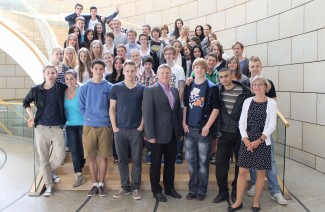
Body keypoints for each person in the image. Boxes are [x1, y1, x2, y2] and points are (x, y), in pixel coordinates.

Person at [228, 75, 277, 212]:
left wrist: (259, 140)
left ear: (265, 87)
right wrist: (245, 140)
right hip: (247, 139)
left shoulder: (271, 103)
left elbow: (272, 125)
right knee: (242, 171)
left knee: (261, 172)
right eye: (254, 85)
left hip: (262, 140)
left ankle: (256, 201)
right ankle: (238, 201)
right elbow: (241, 123)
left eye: (260, 84)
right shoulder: (247, 101)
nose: (257, 87)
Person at [246, 56, 287, 205]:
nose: (254, 68)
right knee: (252, 160)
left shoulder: (268, 84)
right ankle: (254, 184)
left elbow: (273, 107)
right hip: (250, 131)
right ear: (249, 68)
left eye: (257, 65)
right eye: (252, 66)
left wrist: (268, 130)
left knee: (270, 162)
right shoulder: (247, 84)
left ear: (261, 67)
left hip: (265, 132)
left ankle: (275, 191)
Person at [23, 65, 67, 197]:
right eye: (48, 73)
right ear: (44, 74)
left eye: (53, 73)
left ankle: (48, 170)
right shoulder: (36, 90)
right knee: (43, 158)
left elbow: (74, 84)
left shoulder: (60, 87)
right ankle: (49, 185)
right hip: (41, 128)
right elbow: (25, 102)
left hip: (57, 127)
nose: (51, 75)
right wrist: (31, 115)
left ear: (56, 74)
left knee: (60, 156)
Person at [143, 64, 183, 202]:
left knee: (170, 163)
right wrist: (150, 135)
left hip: (173, 133)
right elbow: (147, 114)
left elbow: (177, 112)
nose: (165, 75)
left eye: (168, 73)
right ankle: (156, 190)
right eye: (163, 73)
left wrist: (179, 132)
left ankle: (169, 188)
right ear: (157, 75)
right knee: (155, 164)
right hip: (157, 135)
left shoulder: (175, 91)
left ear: (171, 75)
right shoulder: (150, 90)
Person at [212, 68, 253, 204]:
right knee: (220, 164)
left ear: (232, 76)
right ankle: (223, 192)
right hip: (223, 133)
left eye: (226, 76)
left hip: (240, 134)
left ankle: (236, 191)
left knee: (239, 165)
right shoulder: (217, 90)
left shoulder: (245, 91)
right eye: (221, 77)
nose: (223, 79)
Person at [183, 58, 220, 201]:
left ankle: (201, 189)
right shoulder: (189, 85)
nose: (198, 70)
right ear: (193, 69)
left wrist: (207, 127)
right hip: (189, 128)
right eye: (196, 67)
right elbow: (186, 105)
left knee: (203, 161)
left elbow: (216, 109)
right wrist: (183, 123)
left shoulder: (211, 87)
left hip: (203, 129)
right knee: (191, 161)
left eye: (201, 67)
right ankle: (192, 188)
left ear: (205, 70)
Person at [110, 61, 145, 200]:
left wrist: (141, 126)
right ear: (123, 71)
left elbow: (145, 109)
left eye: (132, 70)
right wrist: (114, 128)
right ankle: (125, 187)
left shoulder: (142, 89)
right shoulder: (116, 88)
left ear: (136, 71)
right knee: (122, 160)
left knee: (136, 160)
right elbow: (112, 109)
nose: (130, 73)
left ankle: (135, 187)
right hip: (120, 130)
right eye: (128, 71)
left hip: (136, 130)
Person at [78, 59, 113, 197]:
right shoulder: (84, 87)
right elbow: (81, 107)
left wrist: (109, 121)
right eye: (96, 68)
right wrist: (88, 118)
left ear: (104, 70)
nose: (98, 71)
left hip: (105, 126)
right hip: (89, 126)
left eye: (101, 69)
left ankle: (101, 184)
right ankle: (94, 184)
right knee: (91, 157)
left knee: (103, 157)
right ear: (91, 69)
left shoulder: (109, 87)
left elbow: (113, 107)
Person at [64, 70, 86, 187]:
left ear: (76, 78)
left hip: (83, 124)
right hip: (70, 125)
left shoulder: (81, 90)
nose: (69, 81)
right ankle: (78, 174)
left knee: (82, 149)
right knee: (74, 149)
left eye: (71, 78)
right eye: (67, 79)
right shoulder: (62, 92)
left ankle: (81, 164)